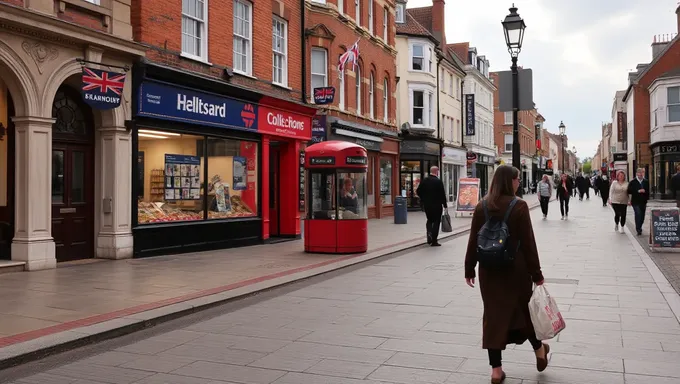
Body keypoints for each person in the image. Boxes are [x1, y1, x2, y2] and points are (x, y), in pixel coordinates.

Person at [464, 165, 549, 384]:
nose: (519, 182)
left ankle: (496, 371)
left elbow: (474, 239)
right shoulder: (519, 206)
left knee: (492, 316)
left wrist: (469, 268)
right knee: (523, 312)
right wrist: (537, 274)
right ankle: (539, 351)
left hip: (489, 271)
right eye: (517, 179)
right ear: (509, 181)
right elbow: (529, 244)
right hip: (516, 271)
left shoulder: (482, 205)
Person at [416, 166, 447, 246]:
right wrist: (445, 205)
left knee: (429, 220)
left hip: (427, 205)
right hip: (437, 205)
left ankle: (429, 233)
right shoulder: (438, 181)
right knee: (436, 221)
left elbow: (418, 191)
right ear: (436, 172)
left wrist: (424, 198)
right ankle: (434, 240)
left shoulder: (425, 180)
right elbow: (442, 194)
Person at [628, 168, 650, 236]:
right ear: (637, 173)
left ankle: (639, 226)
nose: (641, 174)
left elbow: (648, 192)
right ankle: (638, 229)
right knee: (638, 214)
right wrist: (638, 191)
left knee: (642, 216)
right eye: (639, 172)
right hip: (635, 201)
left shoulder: (646, 181)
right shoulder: (632, 182)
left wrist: (645, 191)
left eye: (642, 172)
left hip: (643, 201)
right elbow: (629, 191)